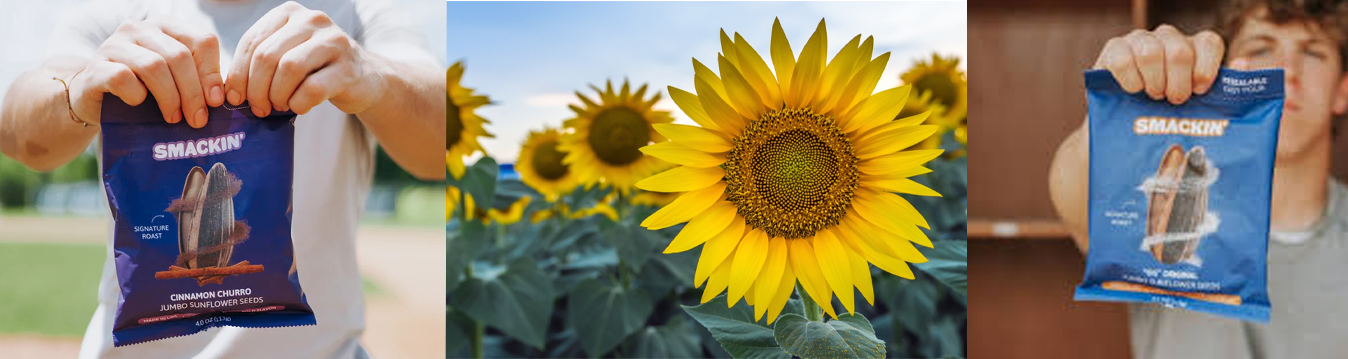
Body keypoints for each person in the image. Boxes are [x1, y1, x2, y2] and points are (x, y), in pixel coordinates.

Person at [0, 0, 445, 357]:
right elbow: (19, 135)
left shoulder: (353, 13)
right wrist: (79, 89)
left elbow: (443, 148)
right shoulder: (119, 14)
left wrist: (373, 76)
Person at [1049, 0, 1348, 357]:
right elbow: (1075, 195)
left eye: (1313, 53)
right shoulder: (1164, 199)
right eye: (1261, 47)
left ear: (1343, 90)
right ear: (1224, 74)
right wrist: (1111, 116)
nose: (1287, 71)